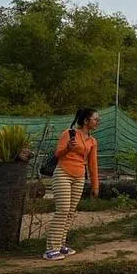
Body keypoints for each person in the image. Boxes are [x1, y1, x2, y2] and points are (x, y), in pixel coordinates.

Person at [43, 108, 100, 261]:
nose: (97, 122)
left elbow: (93, 164)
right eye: (95, 119)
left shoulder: (92, 141)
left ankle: (61, 244)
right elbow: (58, 153)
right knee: (62, 210)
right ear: (86, 121)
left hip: (79, 177)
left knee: (70, 212)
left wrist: (95, 185)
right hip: (63, 173)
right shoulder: (68, 133)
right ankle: (51, 248)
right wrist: (68, 147)